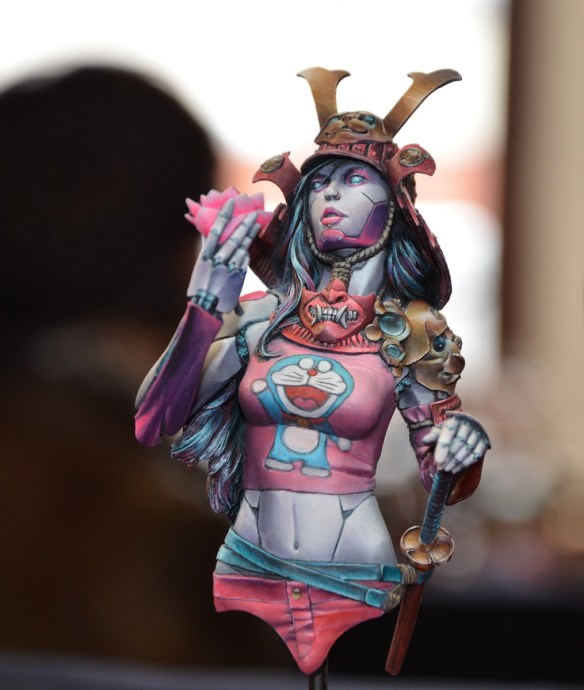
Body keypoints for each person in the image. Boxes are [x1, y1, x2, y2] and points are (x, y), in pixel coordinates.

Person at [135, 67, 490, 676]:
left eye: (354, 180)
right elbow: (152, 422)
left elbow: (444, 479)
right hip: (247, 560)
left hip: (355, 566)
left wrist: (462, 449)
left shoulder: (412, 330)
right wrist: (204, 304)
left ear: (395, 207)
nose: (330, 195)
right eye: (319, 183)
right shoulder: (259, 316)